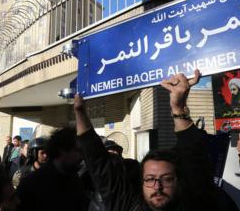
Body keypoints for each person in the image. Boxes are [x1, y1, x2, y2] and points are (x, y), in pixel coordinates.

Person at [74, 70, 218, 211]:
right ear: (141, 182)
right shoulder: (129, 205)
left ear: (178, 181)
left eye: (167, 179)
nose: (158, 187)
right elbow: (99, 164)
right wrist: (79, 112)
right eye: (150, 179)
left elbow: (192, 154)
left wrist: (178, 108)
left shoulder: (194, 203)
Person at [16, 128, 89, 211]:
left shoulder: (74, 178)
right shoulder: (30, 183)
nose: (81, 156)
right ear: (62, 150)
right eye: (77, 150)